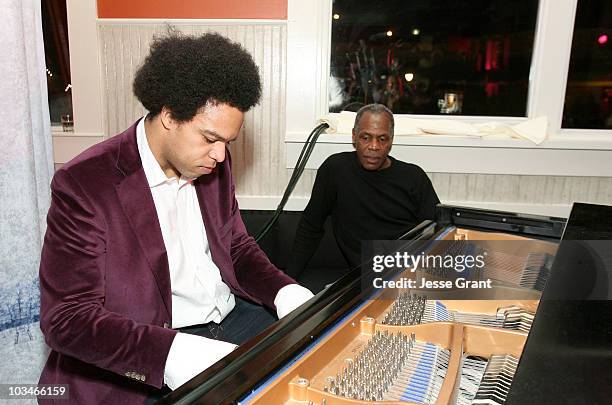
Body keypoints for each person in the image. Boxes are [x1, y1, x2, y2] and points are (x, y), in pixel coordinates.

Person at [38, 32, 313, 404]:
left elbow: (234, 247)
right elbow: (67, 319)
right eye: (210, 138)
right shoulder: (85, 183)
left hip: (230, 321)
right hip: (146, 354)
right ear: (168, 115)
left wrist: (284, 291)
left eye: (227, 143)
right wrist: (171, 355)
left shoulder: (213, 161)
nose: (219, 155)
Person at [287, 104, 440, 280]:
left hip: (410, 273)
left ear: (391, 140)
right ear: (354, 137)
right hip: (363, 280)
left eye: (382, 139)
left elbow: (438, 233)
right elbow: (311, 226)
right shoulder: (336, 170)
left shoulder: (414, 177)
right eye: (366, 138)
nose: (374, 146)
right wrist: (288, 282)